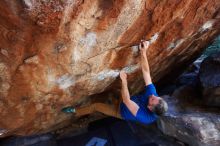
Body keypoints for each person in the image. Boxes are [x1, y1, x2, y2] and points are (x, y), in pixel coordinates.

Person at [62, 41, 168, 124]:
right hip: (129, 100)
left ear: (149, 107)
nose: (152, 95)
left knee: (96, 106)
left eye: (152, 99)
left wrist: (124, 80)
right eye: (156, 97)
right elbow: (146, 72)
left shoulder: (145, 117)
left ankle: (75, 111)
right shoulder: (154, 96)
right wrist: (143, 52)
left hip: (121, 112)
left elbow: (126, 101)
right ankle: (112, 97)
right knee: (117, 90)